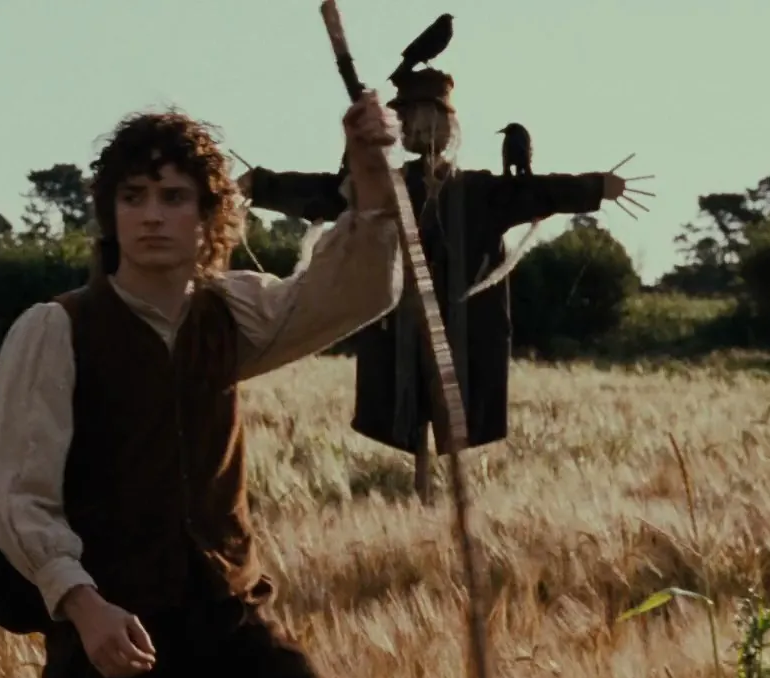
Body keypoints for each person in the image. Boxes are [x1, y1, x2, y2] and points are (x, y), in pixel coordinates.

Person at [0, 93, 406, 678]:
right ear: (111, 213)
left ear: (208, 216)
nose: (152, 214)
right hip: (112, 622)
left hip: (222, 613)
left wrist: (367, 169)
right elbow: (18, 493)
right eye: (134, 196)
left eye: (174, 197)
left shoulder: (230, 312)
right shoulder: (56, 329)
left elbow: (350, 292)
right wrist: (83, 606)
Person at [240, 65, 636, 460]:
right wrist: (262, 186)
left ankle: (438, 482)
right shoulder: (384, 190)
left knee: (457, 407)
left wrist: (596, 187)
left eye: (424, 116)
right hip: (397, 332)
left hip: (467, 334)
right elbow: (325, 191)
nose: (418, 127)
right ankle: (418, 481)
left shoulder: (479, 193)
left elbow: (540, 191)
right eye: (410, 117)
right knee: (401, 406)